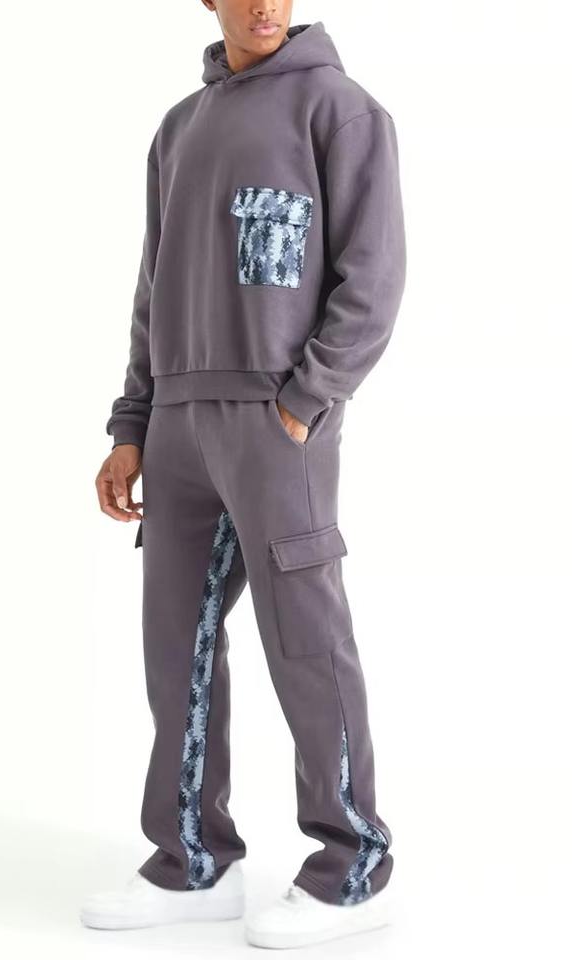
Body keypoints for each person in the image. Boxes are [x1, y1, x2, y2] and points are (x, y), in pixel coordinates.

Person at [86, 1, 406, 949]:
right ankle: (193, 860)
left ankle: (354, 868)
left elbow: (373, 278)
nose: (266, 3)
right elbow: (154, 287)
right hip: (178, 422)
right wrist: (133, 423)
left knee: (306, 640)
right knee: (174, 644)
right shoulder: (178, 128)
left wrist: (305, 400)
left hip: (276, 421)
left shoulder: (341, 110)